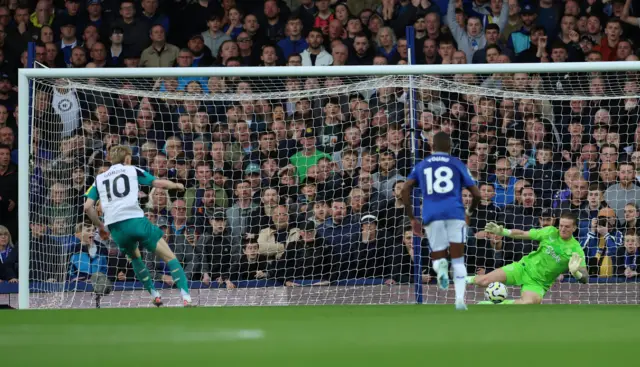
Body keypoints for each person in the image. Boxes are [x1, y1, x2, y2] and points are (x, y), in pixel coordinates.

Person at [83, 145, 193, 307]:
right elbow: (158, 183)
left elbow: (87, 207)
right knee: (170, 257)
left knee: (135, 257)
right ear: (127, 158)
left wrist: (100, 226)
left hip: (116, 229)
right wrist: (177, 186)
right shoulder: (132, 170)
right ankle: (186, 298)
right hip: (135, 220)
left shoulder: (99, 179)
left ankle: (154, 294)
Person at [400, 132, 481, 310]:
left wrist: (412, 217)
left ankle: (441, 266)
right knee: (458, 259)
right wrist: (469, 211)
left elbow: (405, 189)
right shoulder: (457, 164)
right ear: (450, 147)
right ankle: (460, 300)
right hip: (455, 213)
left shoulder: (422, 165)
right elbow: (476, 194)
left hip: (432, 214)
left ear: (432, 147)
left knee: (437, 254)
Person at [468, 211, 588, 305]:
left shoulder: (576, 250)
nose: (562, 229)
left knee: (528, 303)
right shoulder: (550, 231)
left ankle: (494, 305)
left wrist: (576, 273)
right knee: (483, 281)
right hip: (523, 268)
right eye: (561, 225)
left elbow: (585, 278)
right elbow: (522, 234)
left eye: (567, 227)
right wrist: (503, 231)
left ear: (574, 228)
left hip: (538, 283)